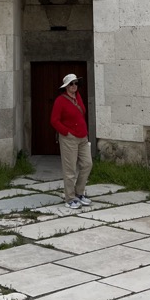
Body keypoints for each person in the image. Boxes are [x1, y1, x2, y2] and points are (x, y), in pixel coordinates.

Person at [50, 72, 92, 209]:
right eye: (71, 84)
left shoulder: (78, 97)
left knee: (87, 164)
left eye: (76, 83)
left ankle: (79, 193)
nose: (74, 86)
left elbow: (81, 114)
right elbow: (54, 120)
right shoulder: (60, 101)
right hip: (70, 138)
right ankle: (69, 198)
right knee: (70, 169)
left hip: (82, 136)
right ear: (66, 86)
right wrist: (66, 132)